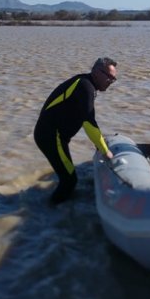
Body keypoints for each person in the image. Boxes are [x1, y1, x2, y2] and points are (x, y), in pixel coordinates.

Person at [34, 57, 117, 204]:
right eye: (109, 77)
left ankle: (56, 207)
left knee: (68, 176)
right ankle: (49, 214)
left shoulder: (85, 84)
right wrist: (105, 150)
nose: (111, 81)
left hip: (54, 136)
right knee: (69, 181)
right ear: (97, 72)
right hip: (51, 136)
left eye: (113, 79)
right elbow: (88, 121)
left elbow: (86, 118)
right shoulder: (85, 87)